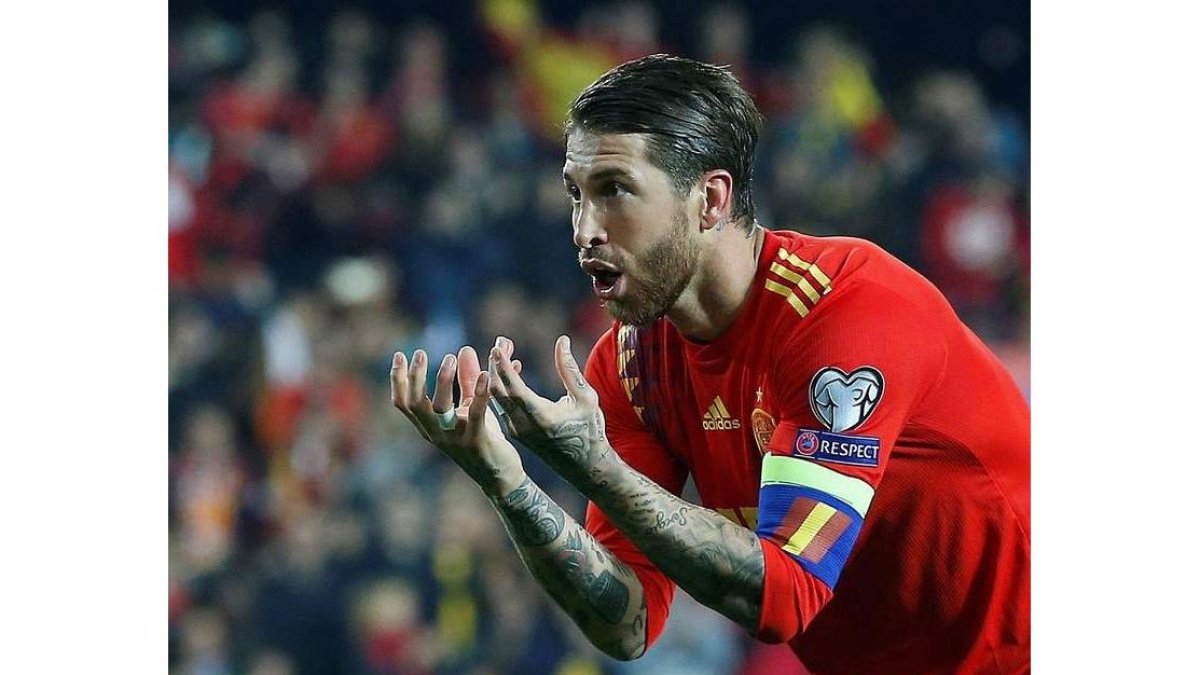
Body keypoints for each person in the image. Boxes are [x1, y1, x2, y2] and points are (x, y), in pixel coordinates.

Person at [390, 55, 1030, 674]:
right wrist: (508, 482)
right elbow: (626, 624)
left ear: (711, 200)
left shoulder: (846, 316)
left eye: (615, 190)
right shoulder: (631, 364)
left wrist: (596, 469)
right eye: (575, 195)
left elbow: (784, 596)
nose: (584, 229)